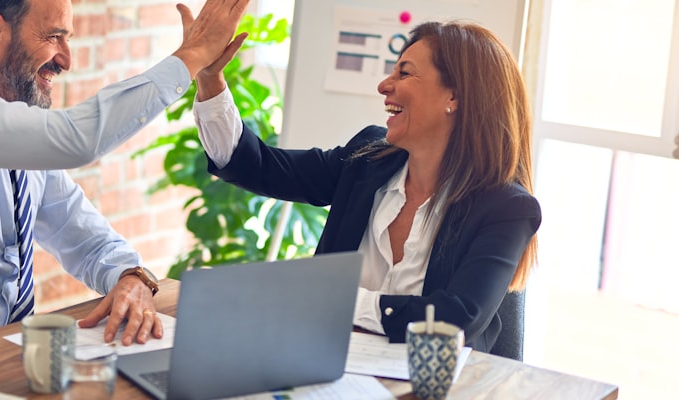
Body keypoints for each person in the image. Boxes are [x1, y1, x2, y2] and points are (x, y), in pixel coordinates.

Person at [0, 0, 250, 362]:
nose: (66, 59)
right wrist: (191, 56)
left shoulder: (22, 148)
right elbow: (75, 140)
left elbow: (89, 241)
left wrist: (130, 277)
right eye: (53, 37)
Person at [192, 20, 541, 352]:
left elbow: (454, 321)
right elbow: (259, 167)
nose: (384, 85)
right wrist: (210, 79)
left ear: (455, 96)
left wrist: (336, 299)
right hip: (326, 368)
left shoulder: (506, 208)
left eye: (404, 73)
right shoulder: (367, 160)